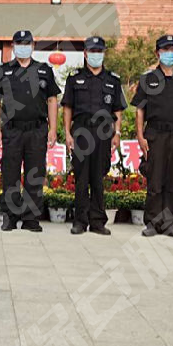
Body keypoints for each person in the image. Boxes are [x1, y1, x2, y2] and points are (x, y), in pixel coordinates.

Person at [0, 30, 60, 232]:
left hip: (37, 130)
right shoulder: (3, 71)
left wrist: (53, 129)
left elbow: (52, 100)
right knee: (10, 173)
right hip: (12, 130)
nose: (23, 47)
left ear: (33, 46)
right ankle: (9, 217)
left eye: (26, 43)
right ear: (13, 46)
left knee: (35, 173)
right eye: (19, 43)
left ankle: (31, 218)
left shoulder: (44, 70)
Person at [132, 35, 173, 238]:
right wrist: (140, 136)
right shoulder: (148, 79)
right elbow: (140, 110)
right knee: (155, 179)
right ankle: (153, 223)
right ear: (157, 53)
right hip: (156, 135)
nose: (170, 53)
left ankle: (170, 224)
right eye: (165, 50)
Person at [61, 36, 125, 235]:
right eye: (92, 51)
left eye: (99, 51)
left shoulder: (113, 80)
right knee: (81, 178)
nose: (96, 54)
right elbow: (67, 108)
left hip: (103, 133)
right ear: (85, 53)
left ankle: (97, 221)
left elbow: (118, 110)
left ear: (104, 53)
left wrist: (117, 133)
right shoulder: (74, 78)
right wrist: (67, 133)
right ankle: (80, 221)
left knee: (98, 177)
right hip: (81, 132)